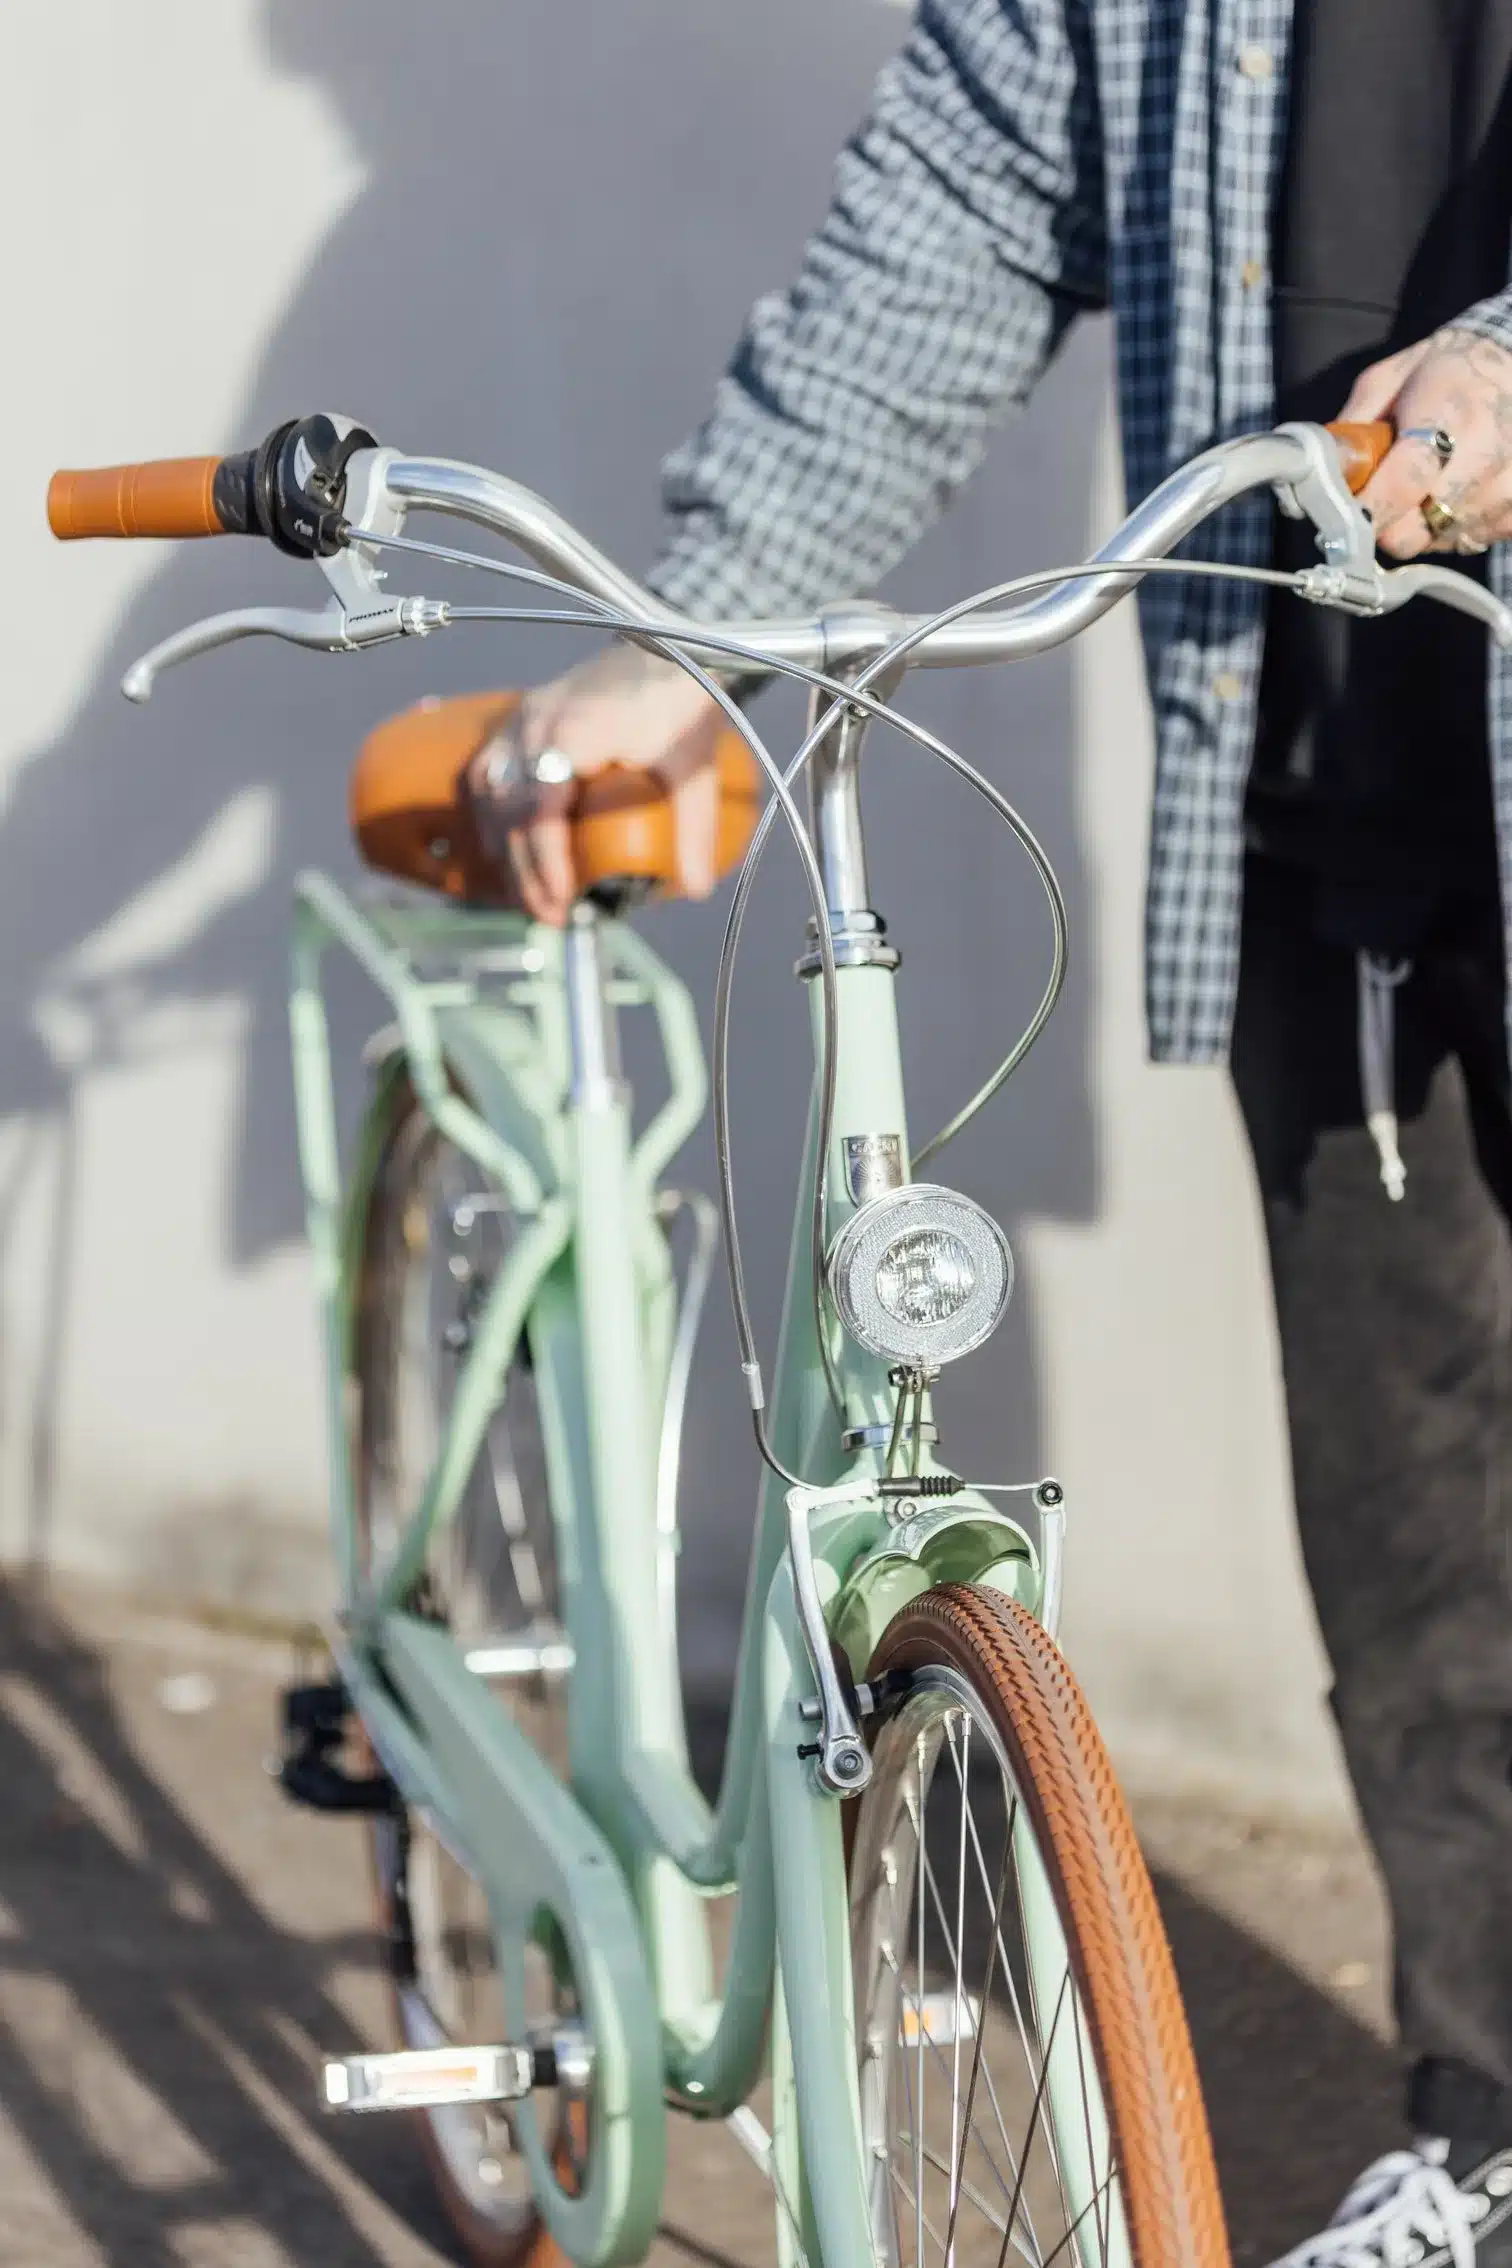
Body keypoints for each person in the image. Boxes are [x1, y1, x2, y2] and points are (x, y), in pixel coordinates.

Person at [472, 6, 1512, 2259]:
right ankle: (1489, 2126)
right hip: (1344, 814)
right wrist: (707, 623)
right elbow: (953, 205)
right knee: (1425, 1542)